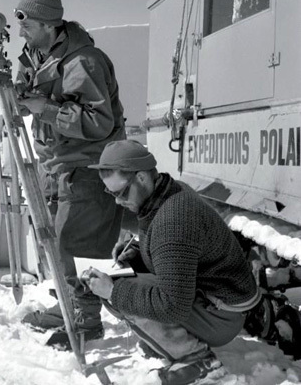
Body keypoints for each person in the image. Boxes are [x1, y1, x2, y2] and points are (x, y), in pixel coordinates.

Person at [82, 140, 261, 385]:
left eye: (120, 192)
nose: (116, 201)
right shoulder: (170, 190)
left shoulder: (172, 220)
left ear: (142, 178)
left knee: (120, 290)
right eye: (110, 193)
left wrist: (113, 291)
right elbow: (171, 250)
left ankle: (199, 361)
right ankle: (171, 344)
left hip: (222, 317)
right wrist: (136, 250)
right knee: (124, 283)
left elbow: (172, 306)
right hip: (222, 301)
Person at [13, 0, 126, 343]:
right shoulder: (36, 55)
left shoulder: (83, 61)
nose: (21, 33)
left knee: (77, 241)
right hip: (56, 163)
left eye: (27, 25)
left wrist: (42, 108)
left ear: (49, 24)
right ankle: (67, 304)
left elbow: (98, 122)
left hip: (87, 166)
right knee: (56, 242)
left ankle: (86, 319)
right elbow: (28, 97)